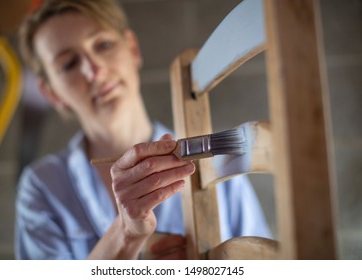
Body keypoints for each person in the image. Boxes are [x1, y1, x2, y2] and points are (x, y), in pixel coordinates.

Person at [15, 0, 271, 260]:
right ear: (52, 94)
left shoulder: (220, 159)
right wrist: (126, 234)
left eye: (103, 45)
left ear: (133, 49)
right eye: (69, 63)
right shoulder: (42, 187)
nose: (94, 70)